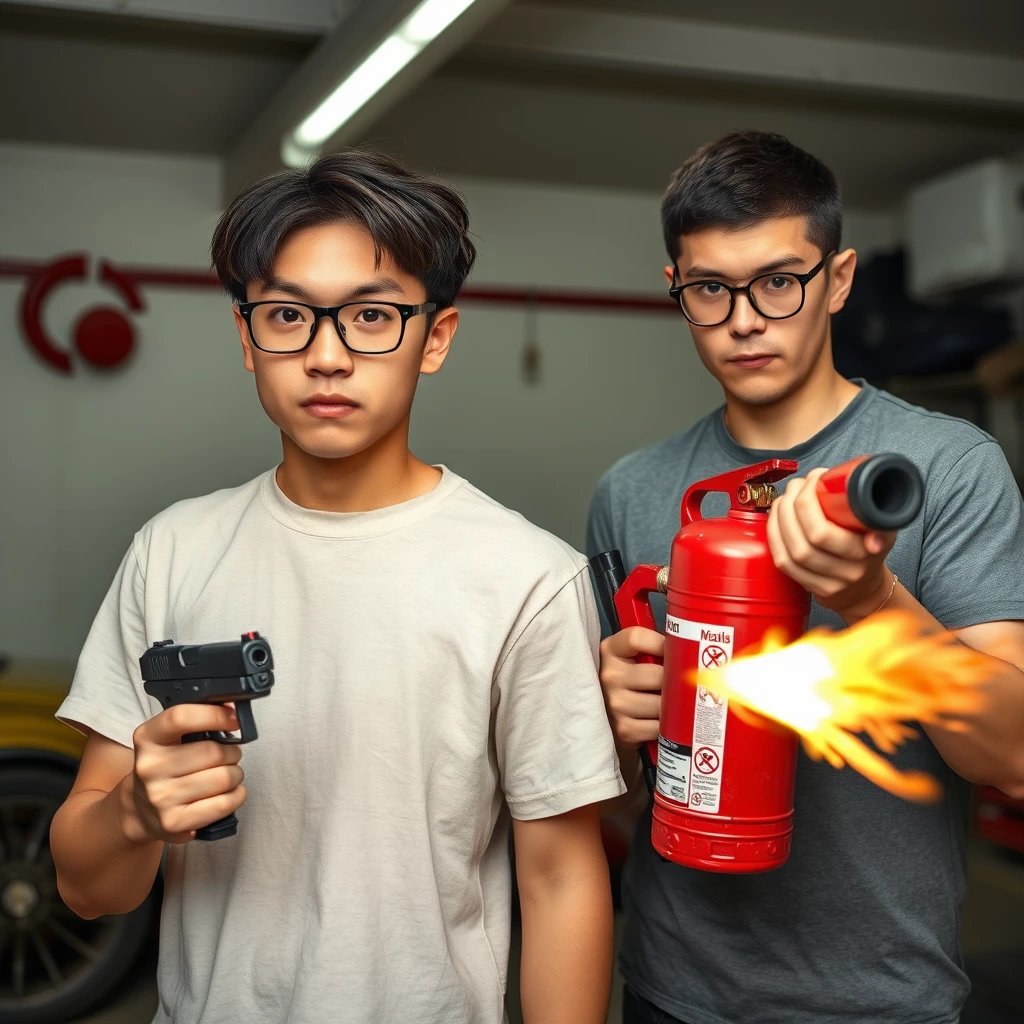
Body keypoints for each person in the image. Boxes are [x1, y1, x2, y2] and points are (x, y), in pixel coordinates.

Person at [51, 150, 624, 1024]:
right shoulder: (170, 551)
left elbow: (560, 879)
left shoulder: (529, 579)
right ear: (247, 339)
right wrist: (134, 812)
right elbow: (88, 890)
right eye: (287, 315)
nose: (326, 356)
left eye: (371, 316)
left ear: (435, 337)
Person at [587, 130, 1024, 1024]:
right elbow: (606, 788)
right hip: (675, 985)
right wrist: (614, 720)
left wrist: (873, 600)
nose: (745, 318)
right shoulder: (629, 491)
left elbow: (1011, 754)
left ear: (839, 279)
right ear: (678, 292)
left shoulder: (943, 467)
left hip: (878, 995)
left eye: (779, 281)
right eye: (711, 288)